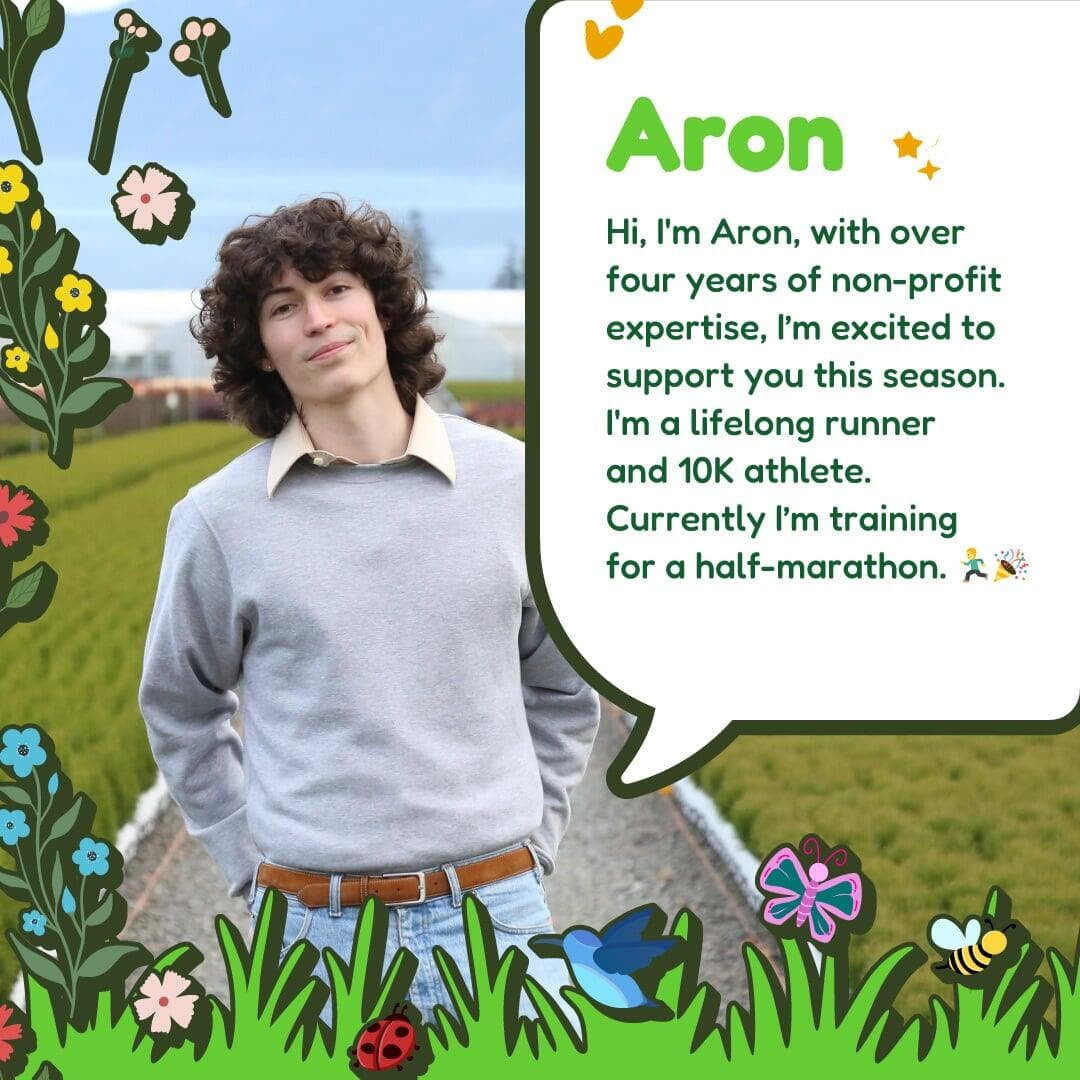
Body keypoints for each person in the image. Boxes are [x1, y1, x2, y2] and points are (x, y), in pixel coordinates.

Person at [138, 196, 600, 1025]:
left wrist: (539, 842)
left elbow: (566, 687)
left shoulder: (518, 487)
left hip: (501, 919)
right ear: (262, 351)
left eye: (336, 289)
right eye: (284, 308)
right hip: (316, 938)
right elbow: (179, 707)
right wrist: (253, 868)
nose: (318, 319)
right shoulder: (219, 520)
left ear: (383, 308)